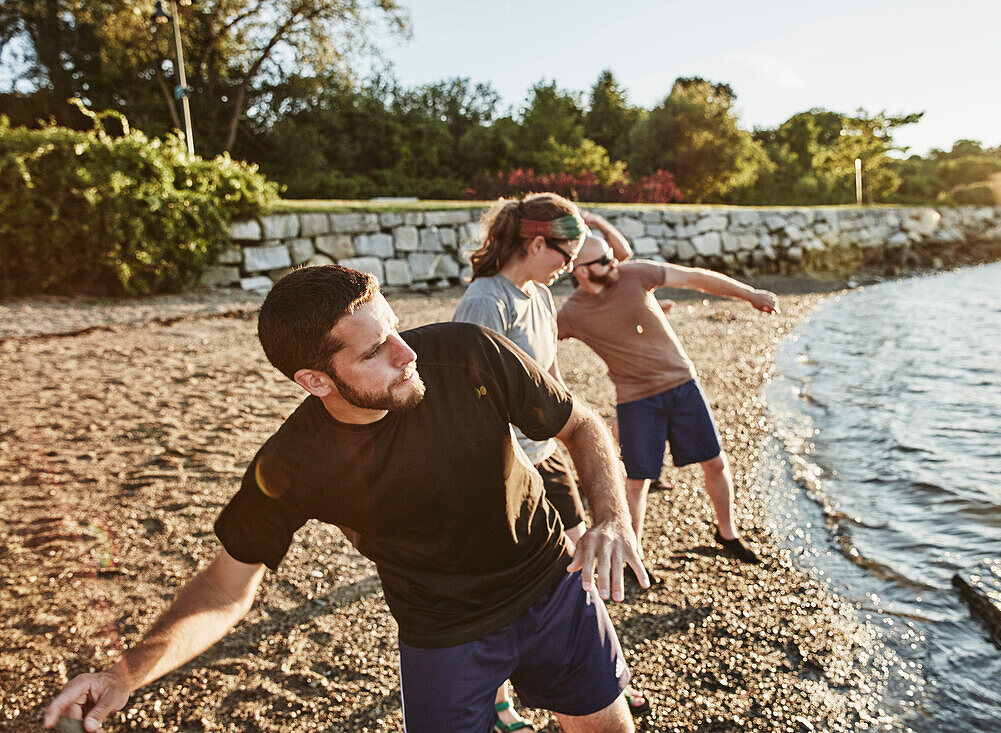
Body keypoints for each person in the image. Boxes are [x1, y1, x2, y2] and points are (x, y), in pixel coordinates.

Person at [44, 265, 649, 733]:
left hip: (551, 584)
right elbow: (224, 587)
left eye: (394, 329)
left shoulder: (467, 351)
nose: (406, 354)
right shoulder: (294, 463)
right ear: (314, 381)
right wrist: (125, 674)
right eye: (372, 352)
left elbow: (580, 425)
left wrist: (611, 518)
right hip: (441, 630)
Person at [453, 194, 650, 730]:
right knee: (504, 587)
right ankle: (500, 700)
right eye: (566, 252)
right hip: (503, 468)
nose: (571, 265)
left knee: (579, 569)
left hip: (546, 457)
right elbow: (472, 401)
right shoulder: (486, 302)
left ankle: (600, 687)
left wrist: (579, 434)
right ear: (536, 243)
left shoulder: (539, 295)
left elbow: (553, 379)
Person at [557, 237, 779, 562]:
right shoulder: (572, 313)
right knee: (636, 482)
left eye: (610, 255)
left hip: (682, 385)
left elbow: (694, 278)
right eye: (604, 260)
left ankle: (727, 533)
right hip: (636, 401)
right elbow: (535, 339)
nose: (614, 262)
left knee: (715, 463)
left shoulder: (635, 274)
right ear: (580, 271)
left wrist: (750, 294)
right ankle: (631, 554)